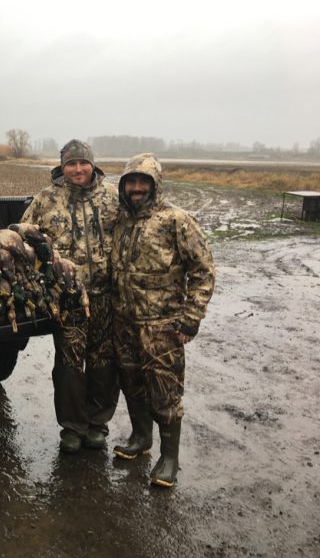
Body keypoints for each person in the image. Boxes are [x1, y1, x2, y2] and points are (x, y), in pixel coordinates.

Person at [111, 153, 215, 488]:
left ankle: (169, 458)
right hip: (124, 321)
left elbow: (203, 271)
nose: (137, 188)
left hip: (162, 325)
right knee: (131, 383)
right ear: (124, 185)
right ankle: (142, 439)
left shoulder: (177, 220)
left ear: (155, 185)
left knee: (164, 392)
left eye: (144, 182)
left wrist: (191, 318)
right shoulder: (120, 219)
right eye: (131, 182)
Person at [20, 139, 120, 454]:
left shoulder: (113, 197)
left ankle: (98, 424)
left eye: (83, 163)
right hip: (68, 297)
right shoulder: (47, 199)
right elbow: (21, 233)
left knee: (104, 361)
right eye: (71, 164)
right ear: (62, 167)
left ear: (93, 164)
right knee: (69, 364)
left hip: (106, 294)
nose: (77, 169)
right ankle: (73, 428)